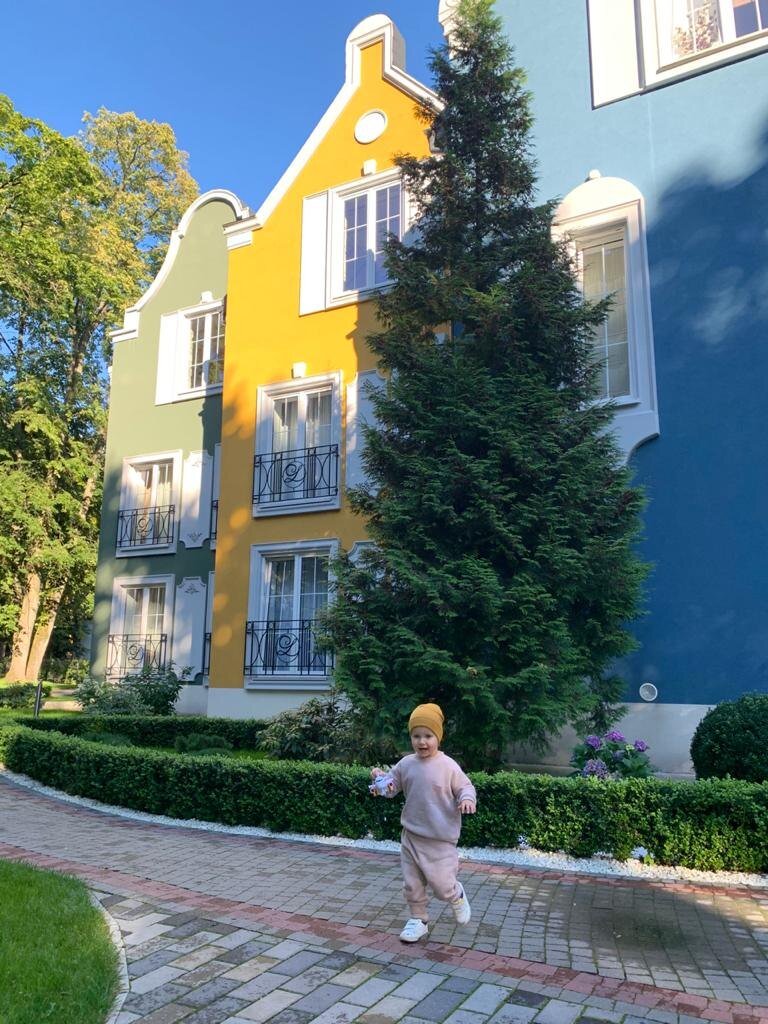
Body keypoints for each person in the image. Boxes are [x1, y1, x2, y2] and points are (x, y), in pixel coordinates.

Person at [370, 702, 476, 943]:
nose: (422, 742)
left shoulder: (448, 766)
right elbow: (391, 787)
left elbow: (465, 786)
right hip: (411, 836)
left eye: (428, 736)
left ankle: (456, 894)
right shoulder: (406, 764)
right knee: (412, 883)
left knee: (442, 885)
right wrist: (380, 781)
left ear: (438, 736)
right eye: (416, 736)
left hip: (440, 839)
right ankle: (418, 920)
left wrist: (467, 799)